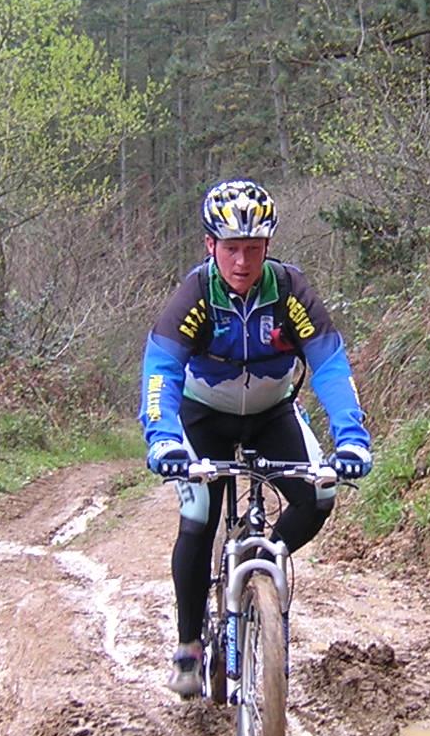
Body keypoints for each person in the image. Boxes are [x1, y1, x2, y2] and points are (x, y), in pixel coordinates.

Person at [139, 179, 374, 696]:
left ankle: (264, 559)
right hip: (204, 418)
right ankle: (188, 645)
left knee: (319, 495)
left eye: (252, 248)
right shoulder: (196, 294)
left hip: (272, 414)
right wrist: (164, 439)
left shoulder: (289, 290)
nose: (242, 262)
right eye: (230, 248)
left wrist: (352, 439)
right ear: (210, 245)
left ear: (268, 246)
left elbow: (330, 365)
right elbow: (161, 369)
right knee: (198, 517)